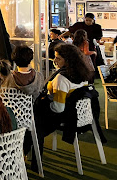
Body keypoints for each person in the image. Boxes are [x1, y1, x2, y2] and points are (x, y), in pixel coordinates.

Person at [26, 43, 92, 171]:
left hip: (63, 117)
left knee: (33, 126)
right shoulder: (83, 74)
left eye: (58, 58)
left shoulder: (61, 78)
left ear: (68, 60)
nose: (55, 60)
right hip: (78, 115)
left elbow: (58, 108)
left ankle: (33, 162)